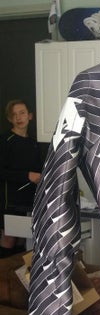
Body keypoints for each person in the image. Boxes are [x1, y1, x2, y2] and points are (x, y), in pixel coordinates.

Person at [0, 99, 42, 257]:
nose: (18, 117)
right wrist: (27, 175)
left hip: (28, 201)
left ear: (30, 116)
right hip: (8, 201)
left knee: (22, 240)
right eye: (14, 115)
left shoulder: (34, 143)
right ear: (9, 119)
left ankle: (18, 273)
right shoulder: (5, 140)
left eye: (22, 113)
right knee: (9, 238)